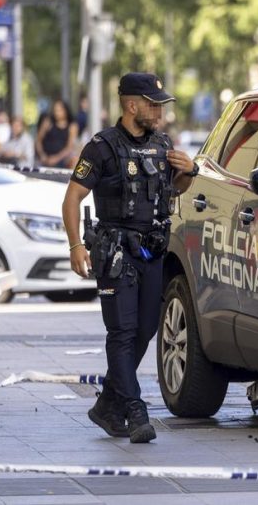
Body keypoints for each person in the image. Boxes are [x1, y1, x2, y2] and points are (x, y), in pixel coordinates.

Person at [61, 73, 197, 443]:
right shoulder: (101, 147)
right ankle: (135, 410)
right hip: (115, 251)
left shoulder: (162, 144)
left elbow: (173, 190)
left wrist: (189, 172)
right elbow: (72, 198)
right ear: (131, 105)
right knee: (121, 332)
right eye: (153, 104)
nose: (159, 111)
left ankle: (107, 404)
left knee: (146, 329)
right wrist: (76, 245)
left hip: (151, 250)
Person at [36, 99, 79, 168]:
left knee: (75, 160)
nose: (57, 113)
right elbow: (38, 141)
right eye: (55, 110)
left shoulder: (72, 126)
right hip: (45, 158)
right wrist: (42, 155)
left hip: (62, 159)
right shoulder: (48, 122)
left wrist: (56, 159)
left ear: (66, 111)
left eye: (59, 110)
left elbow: (69, 147)